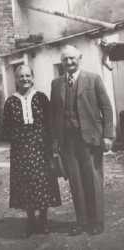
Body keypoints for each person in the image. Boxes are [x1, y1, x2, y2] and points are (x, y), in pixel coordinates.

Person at [49, 45, 113, 236]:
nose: (68, 62)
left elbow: (107, 108)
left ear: (80, 57)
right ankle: (82, 221)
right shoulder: (56, 83)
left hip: (91, 139)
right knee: (75, 182)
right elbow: (53, 114)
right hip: (67, 141)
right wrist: (54, 140)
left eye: (72, 58)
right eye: (64, 60)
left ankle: (97, 221)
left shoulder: (93, 79)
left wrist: (107, 135)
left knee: (92, 180)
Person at [3, 65, 61, 237]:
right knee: (26, 183)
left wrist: (52, 143)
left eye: (28, 75)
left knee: (42, 181)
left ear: (33, 77)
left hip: (41, 146)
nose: (25, 79)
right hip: (21, 149)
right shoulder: (11, 101)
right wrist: (19, 138)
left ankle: (43, 220)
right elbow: (6, 127)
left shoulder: (41, 97)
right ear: (16, 79)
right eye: (21, 76)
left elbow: (50, 121)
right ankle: (30, 222)